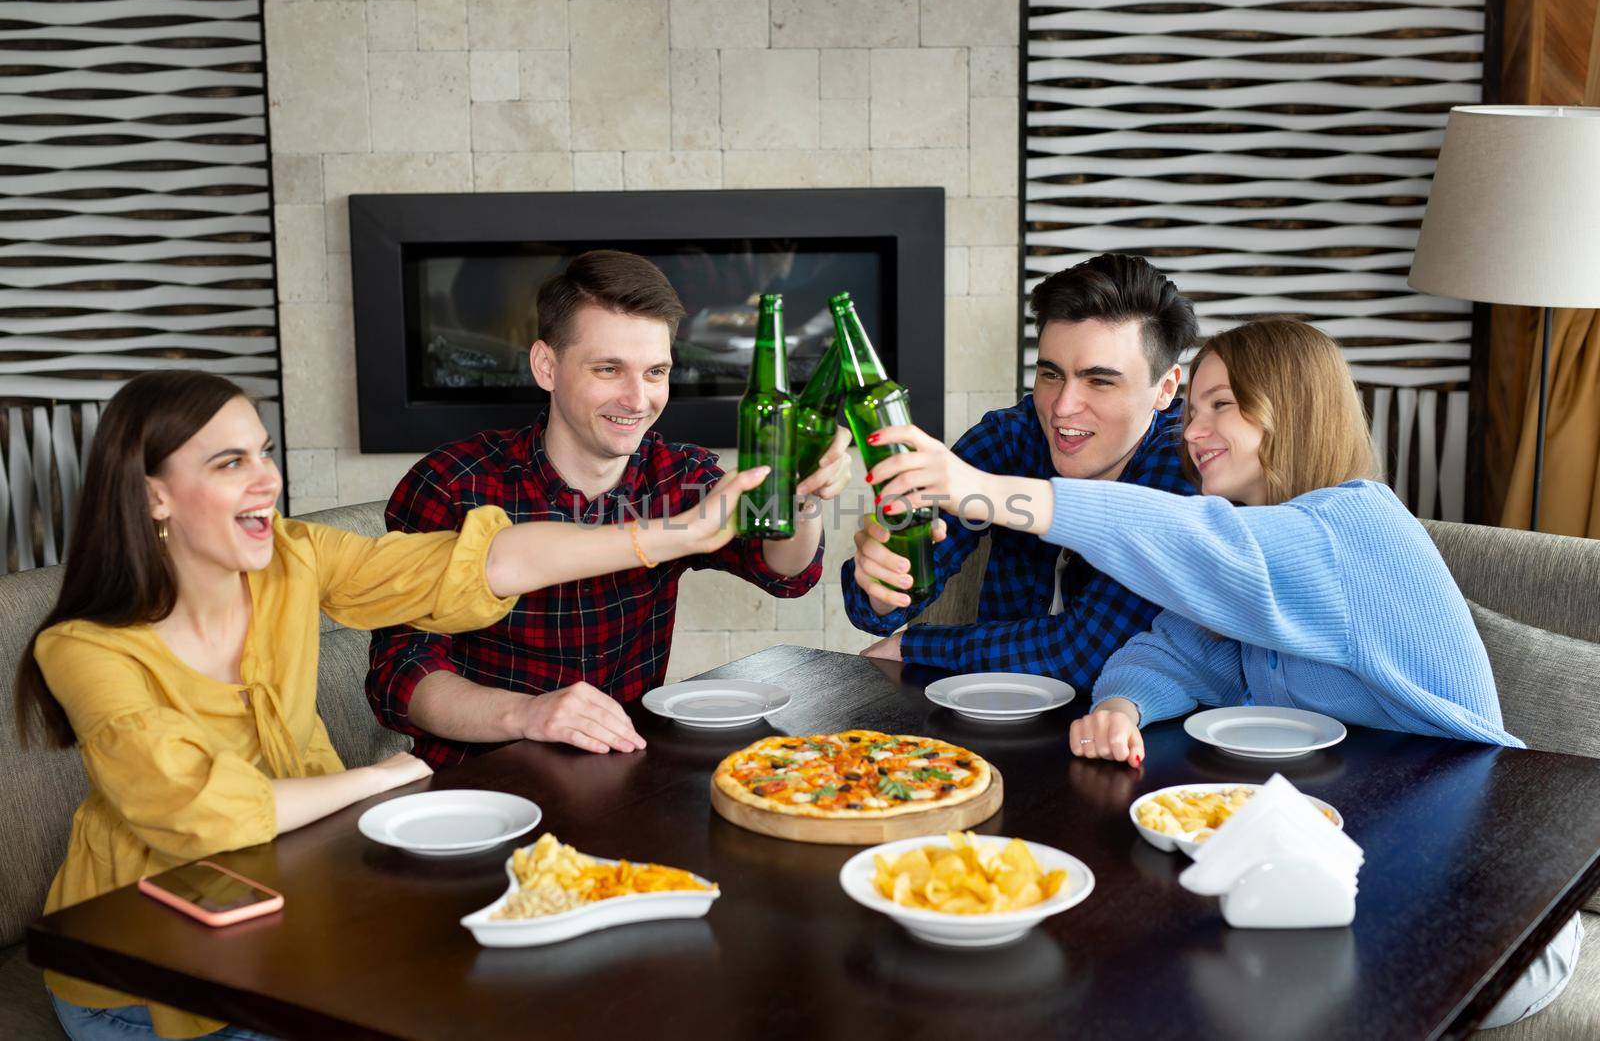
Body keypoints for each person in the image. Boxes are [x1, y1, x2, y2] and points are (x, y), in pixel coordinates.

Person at [862, 317, 1579, 1028]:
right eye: (1192, 407)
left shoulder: (1353, 529)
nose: (1193, 429)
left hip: (1495, 902)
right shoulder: (1259, 563)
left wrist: (981, 490)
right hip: (1359, 864)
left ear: (1291, 408)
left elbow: (1191, 540)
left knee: (1172, 974)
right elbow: (1174, 648)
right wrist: (1121, 705)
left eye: (1223, 405)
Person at [17, 370, 768, 1041]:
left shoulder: (291, 559)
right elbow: (198, 810)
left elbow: (477, 563)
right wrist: (381, 777)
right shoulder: (85, 649)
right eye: (229, 462)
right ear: (153, 494)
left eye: (264, 452)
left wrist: (677, 533)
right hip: (147, 970)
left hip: (298, 905)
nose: (266, 480)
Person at [366, 250, 850, 767]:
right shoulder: (449, 484)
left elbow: (784, 571)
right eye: (608, 369)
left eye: (656, 371)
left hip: (626, 771)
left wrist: (803, 494)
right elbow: (400, 675)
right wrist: (530, 714)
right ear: (546, 366)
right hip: (480, 779)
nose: (637, 400)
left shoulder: (678, 476)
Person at [841, 253, 1197, 688]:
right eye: (1051, 374)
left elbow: (1089, 653)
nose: (1063, 407)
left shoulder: (1187, 459)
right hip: (1002, 710)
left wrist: (916, 646)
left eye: (1099, 381)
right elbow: (875, 611)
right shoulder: (1011, 437)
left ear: (1165, 389)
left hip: (1141, 730)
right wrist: (884, 582)